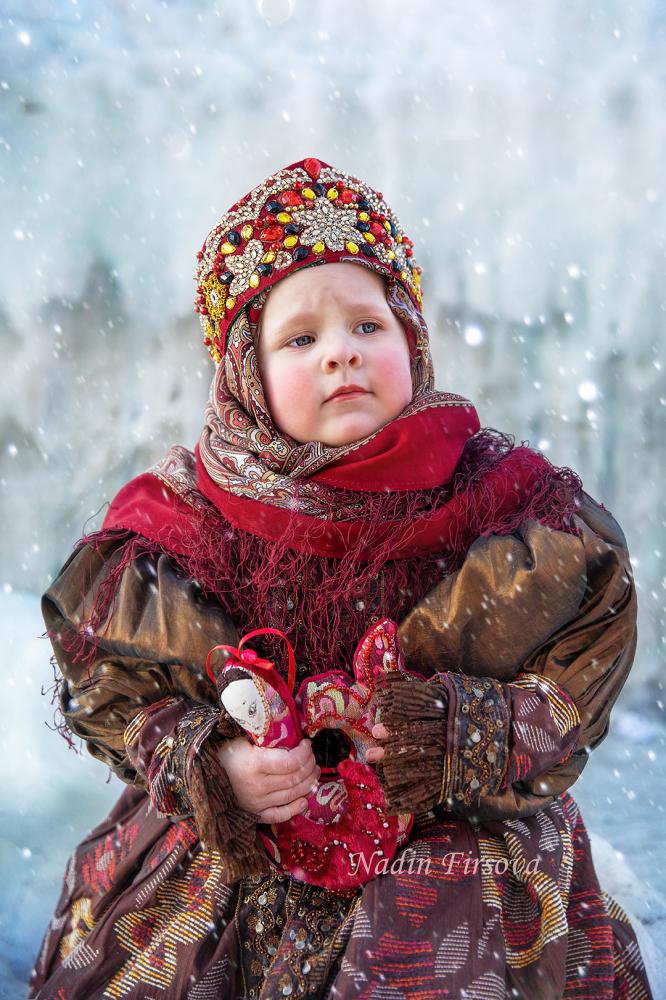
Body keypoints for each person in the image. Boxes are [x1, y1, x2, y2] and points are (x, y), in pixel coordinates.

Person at [29, 156, 653, 999]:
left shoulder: (507, 506)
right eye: (300, 339)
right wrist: (212, 764)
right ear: (244, 374)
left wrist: (455, 734)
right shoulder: (189, 518)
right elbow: (113, 676)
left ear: (412, 339)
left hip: (453, 847)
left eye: (368, 326)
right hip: (245, 855)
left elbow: (581, 663)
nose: (340, 357)